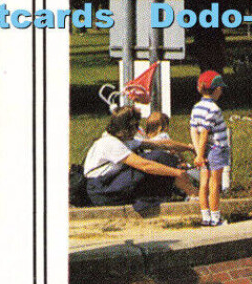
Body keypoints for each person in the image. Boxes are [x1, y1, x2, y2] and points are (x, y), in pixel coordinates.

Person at [82, 107, 197, 207]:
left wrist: (190, 148)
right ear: (126, 128)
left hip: (109, 183)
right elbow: (145, 165)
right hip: (102, 190)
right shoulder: (111, 143)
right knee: (157, 159)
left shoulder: (122, 140)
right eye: (136, 126)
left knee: (160, 157)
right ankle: (192, 194)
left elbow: (161, 144)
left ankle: (191, 193)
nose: (138, 130)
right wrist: (176, 172)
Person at [190, 70, 231, 227]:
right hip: (217, 149)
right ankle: (216, 218)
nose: (221, 92)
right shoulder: (213, 109)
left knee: (204, 184)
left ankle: (205, 217)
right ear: (216, 89)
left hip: (204, 149)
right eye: (220, 89)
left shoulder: (196, 107)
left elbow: (194, 130)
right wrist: (200, 155)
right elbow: (205, 132)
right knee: (215, 184)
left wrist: (198, 152)